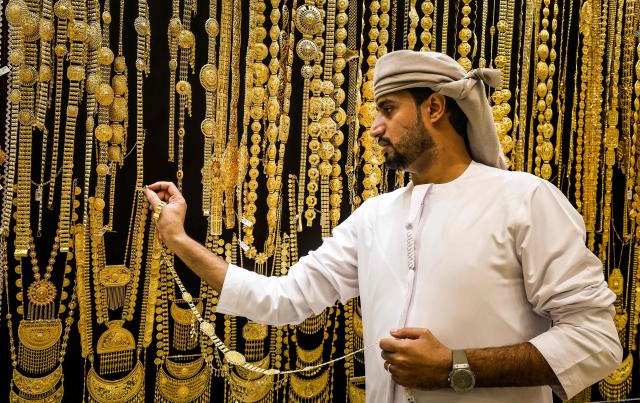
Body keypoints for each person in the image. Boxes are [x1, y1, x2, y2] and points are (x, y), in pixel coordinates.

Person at [144, 51, 622, 403]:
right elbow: (283, 299)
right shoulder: (374, 218)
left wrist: (457, 368)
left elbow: (596, 341)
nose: (374, 127)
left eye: (388, 109)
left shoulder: (525, 199)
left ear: (434, 108)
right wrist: (180, 241)